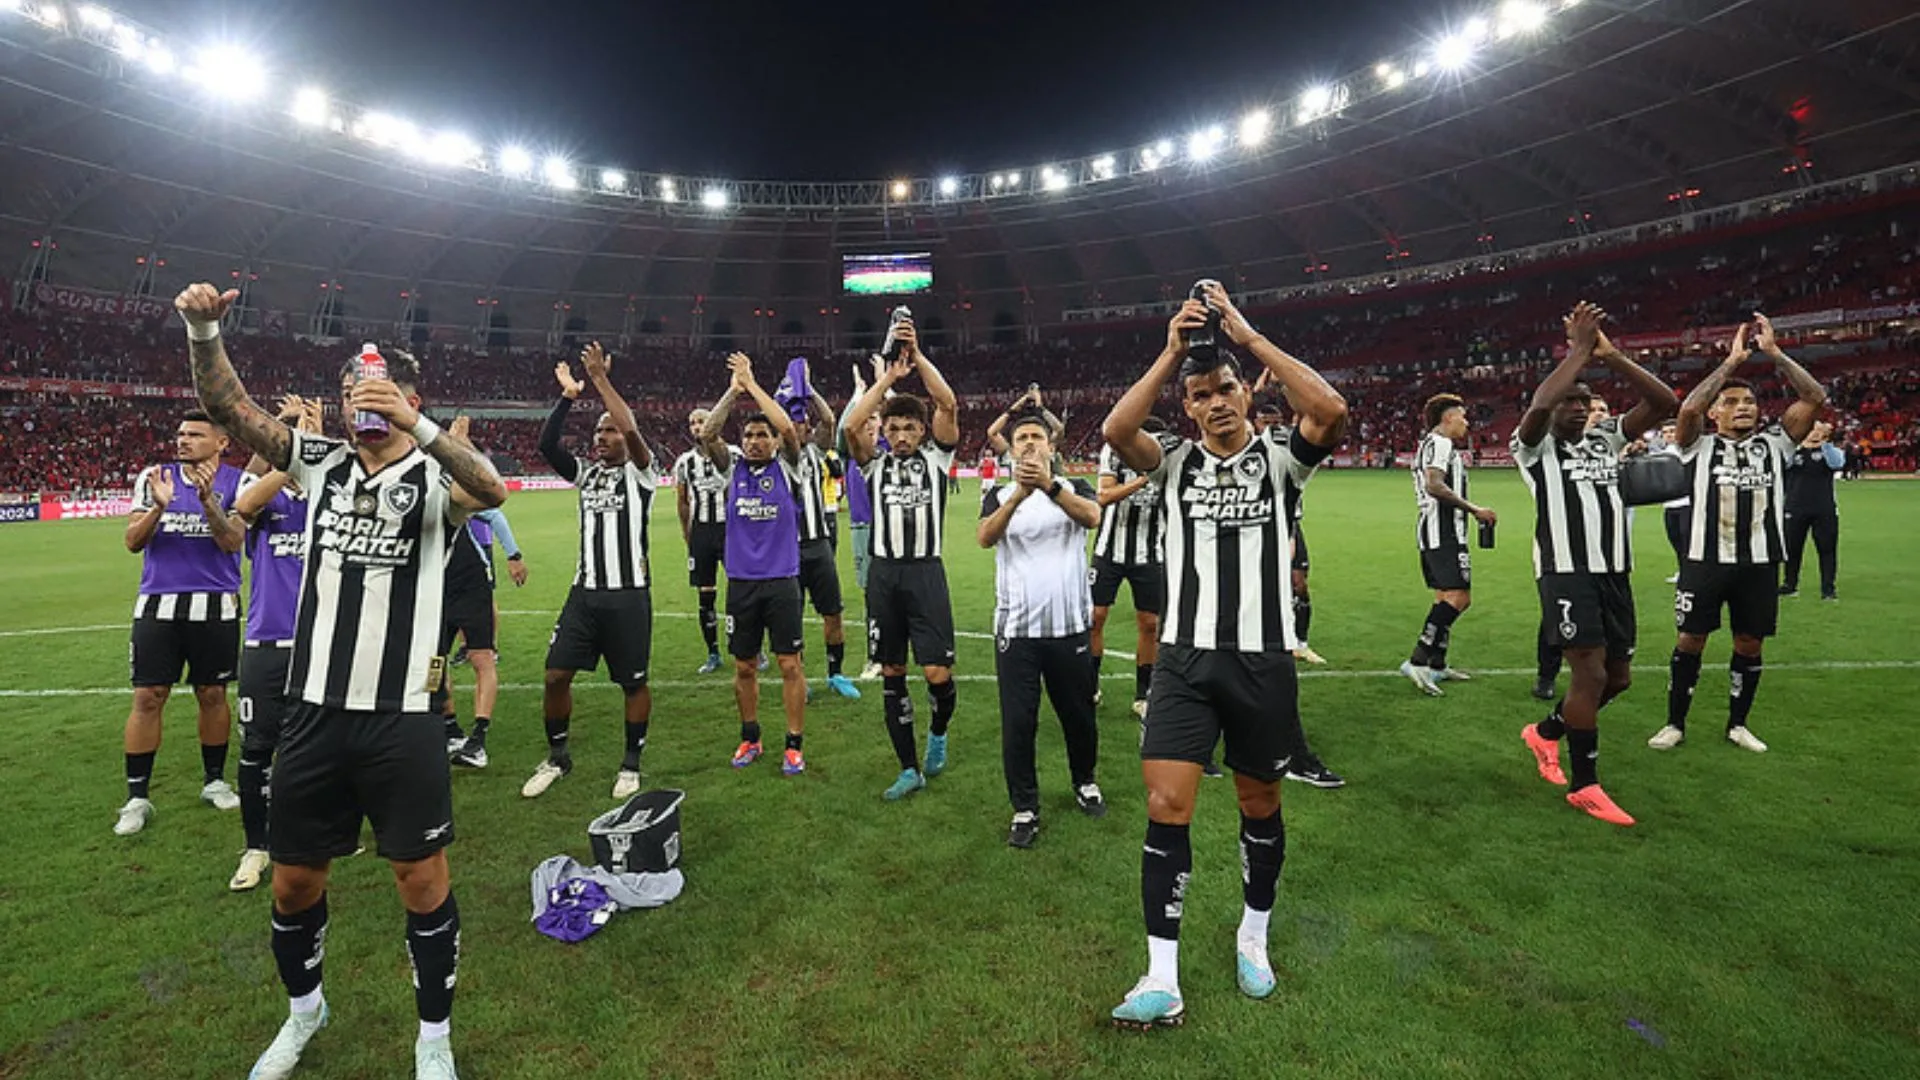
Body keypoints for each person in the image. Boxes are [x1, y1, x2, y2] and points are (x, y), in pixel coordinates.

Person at [176, 282, 509, 1080]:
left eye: (376, 392)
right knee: (292, 882)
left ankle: (434, 1037)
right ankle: (304, 1013)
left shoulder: (435, 477)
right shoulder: (316, 463)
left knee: (420, 879)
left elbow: (492, 487)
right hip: (315, 712)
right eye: (352, 393)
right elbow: (232, 410)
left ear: (405, 396)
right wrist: (204, 329)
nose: (359, 405)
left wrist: (413, 424)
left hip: (404, 717)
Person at [1102, 282, 1348, 1029]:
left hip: (1261, 662)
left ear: (1247, 393)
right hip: (1183, 662)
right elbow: (1118, 430)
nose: (1216, 403)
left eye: (1227, 389)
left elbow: (1330, 411)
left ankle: (1252, 936)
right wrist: (1174, 349)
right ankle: (1161, 975)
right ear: (1189, 408)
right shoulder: (1173, 462)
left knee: (1259, 804)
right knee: (1166, 806)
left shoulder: (1282, 461)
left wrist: (1246, 336)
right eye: (1202, 395)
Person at [1514, 303, 1676, 827]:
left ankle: (1545, 733)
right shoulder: (1535, 449)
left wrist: (1610, 354)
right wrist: (1577, 354)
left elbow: (1664, 401)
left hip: (1614, 571)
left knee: (1619, 680)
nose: (1580, 409)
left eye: (1586, 402)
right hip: (1565, 570)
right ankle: (1586, 786)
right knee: (1589, 672)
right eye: (1571, 401)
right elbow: (1539, 406)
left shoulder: (1606, 440)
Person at [1649, 314, 1826, 754]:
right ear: (1716, 412)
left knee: (1749, 643)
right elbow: (1688, 409)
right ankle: (1675, 723)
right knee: (1691, 639)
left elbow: (1814, 397)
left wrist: (1776, 354)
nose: (1743, 406)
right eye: (1731, 402)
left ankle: (1738, 724)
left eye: (1748, 401)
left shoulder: (1776, 444)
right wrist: (1730, 363)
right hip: (1705, 560)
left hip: (1760, 563)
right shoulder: (1698, 445)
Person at [522, 344, 659, 801]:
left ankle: (631, 763)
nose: (600, 438)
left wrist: (600, 380)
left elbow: (631, 426)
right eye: (597, 432)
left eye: (608, 432)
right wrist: (567, 397)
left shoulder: (642, 473)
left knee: (633, 683)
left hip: (628, 596)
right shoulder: (586, 474)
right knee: (555, 675)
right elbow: (546, 446)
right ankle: (558, 756)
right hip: (584, 595)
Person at [842, 316, 962, 801]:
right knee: (893, 671)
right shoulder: (873, 466)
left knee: (937, 674)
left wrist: (918, 358)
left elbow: (948, 403)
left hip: (926, 574)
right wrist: (886, 382)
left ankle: (937, 733)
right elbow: (853, 425)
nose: (902, 433)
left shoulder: (938, 460)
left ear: (922, 430)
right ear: (885, 432)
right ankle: (908, 767)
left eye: (910, 426)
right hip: (885, 576)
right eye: (893, 427)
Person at [115, 408, 247, 837]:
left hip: (215, 606)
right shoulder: (154, 476)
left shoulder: (237, 482)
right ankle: (137, 797)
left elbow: (231, 542)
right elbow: (132, 542)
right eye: (180, 433)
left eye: (194, 434)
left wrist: (209, 501)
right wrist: (158, 508)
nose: (183, 439)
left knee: (212, 694)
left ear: (222, 442)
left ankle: (214, 782)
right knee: (148, 697)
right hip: (158, 605)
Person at [977, 408, 1105, 848]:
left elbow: (1092, 517)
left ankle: (1085, 781)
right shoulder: (997, 495)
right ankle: (1025, 807)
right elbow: (985, 537)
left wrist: (1048, 486)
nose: (1029, 443)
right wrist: (1017, 496)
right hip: (1017, 631)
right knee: (1019, 723)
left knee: (1078, 716)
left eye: (1037, 436)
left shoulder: (1075, 487)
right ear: (1011, 449)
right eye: (1021, 438)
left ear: (1052, 445)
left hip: (1068, 628)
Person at [698, 354, 814, 774]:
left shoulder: (789, 466)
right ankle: (750, 738)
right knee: (744, 665)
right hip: (742, 584)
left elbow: (786, 426)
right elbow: (709, 433)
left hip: (782, 580)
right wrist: (735, 388)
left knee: (789, 664)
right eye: (748, 435)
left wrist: (755, 386)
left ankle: (794, 744)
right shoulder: (733, 470)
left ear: (775, 442)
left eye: (761, 435)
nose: (754, 441)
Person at [227, 395, 321, 891]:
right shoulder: (271, 499)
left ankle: (322, 832)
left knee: (327, 746)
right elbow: (243, 502)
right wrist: (293, 447)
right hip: (268, 642)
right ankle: (256, 847)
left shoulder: (332, 496)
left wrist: (318, 448)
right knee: (258, 750)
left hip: (325, 641)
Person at [439, 431, 529, 771]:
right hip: (434, 583)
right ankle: (447, 726)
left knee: (481, 657)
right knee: (433, 661)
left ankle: (478, 738)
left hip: (469, 581)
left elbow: (494, 508)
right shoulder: (412, 485)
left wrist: (514, 554)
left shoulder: (449, 485)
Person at [1400, 394, 1496, 696]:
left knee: (1444, 598)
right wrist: (1474, 509)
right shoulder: (1440, 444)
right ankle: (1418, 660)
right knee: (1459, 598)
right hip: (1444, 532)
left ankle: (1437, 664)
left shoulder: (1431, 444)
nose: (1467, 423)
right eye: (1463, 417)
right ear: (1448, 418)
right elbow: (1434, 484)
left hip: (1432, 531)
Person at [780, 368, 862, 700]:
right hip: (788, 551)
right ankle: (799, 678)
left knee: (833, 613)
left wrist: (809, 388)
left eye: (802, 422)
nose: (800, 427)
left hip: (820, 546)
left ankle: (836, 674)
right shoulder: (778, 458)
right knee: (792, 619)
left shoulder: (816, 452)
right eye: (793, 423)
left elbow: (830, 422)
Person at [1091, 417, 1170, 719]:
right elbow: (1104, 496)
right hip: (1109, 550)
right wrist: (1143, 479)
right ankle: (1090, 683)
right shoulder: (1113, 452)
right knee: (1094, 618)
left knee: (1150, 624)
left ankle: (1144, 693)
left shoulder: (1166, 459)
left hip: (1150, 554)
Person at [673, 408, 736, 674]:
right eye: (692, 423)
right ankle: (713, 653)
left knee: (742, 592)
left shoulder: (734, 454)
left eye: (701, 421)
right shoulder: (684, 462)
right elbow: (683, 500)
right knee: (705, 595)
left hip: (731, 531)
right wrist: (688, 535)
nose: (697, 426)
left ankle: (753, 649)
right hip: (702, 532)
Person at [838, 363, 883, 681]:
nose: (869, 424)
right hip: (860, 529)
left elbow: (896, 408)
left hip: (889, 530)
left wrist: (883, 381)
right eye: (865, 419)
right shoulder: (850, 454)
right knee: (871, 597)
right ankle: (875, 656)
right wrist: (857, 393)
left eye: (875, 418)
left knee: (894, 594)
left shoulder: (890, 450)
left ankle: (893, 654)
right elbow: (845, 428)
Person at [1781, 420, 1843, 600]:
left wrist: (1826, 443)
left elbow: (1836, 463)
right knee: (1792, 549)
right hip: (1795, 507)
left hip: (1824, 508)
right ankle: (1790, 585)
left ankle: (1828, 589)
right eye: (1810, 429)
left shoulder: (1830, 451)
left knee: (1827, 549)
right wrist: (1797, 445)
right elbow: (1783, 464)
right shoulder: (1794, 451)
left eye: (1818, 430)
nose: (1814, 433)